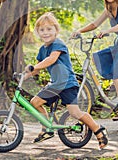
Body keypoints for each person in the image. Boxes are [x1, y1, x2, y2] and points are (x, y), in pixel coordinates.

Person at [24, 12, 108, 150]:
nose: (46, 33)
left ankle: (98, 130)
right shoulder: (41, 50)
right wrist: (24, 75)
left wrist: (35, 67)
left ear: (56, 31)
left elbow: (51, 59)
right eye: (42, 30)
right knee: (35, 102)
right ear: (38, 33)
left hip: (68, 84)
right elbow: (37, 69)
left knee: (75, 113)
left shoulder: (58, 44)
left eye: (49, 29)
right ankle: (47, 129)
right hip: (55, 85)